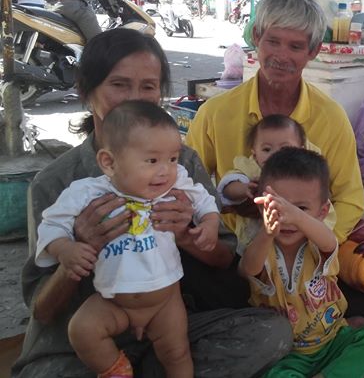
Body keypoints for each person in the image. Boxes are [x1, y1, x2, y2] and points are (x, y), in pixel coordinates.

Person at [12, 28, 292, 378]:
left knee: (270, 333)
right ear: (87, 91)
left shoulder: (179, 163)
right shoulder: (57, 182)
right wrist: (77, 252)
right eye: (119, 84)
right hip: (83, 344)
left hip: (168, 324)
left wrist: (190, 236)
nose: (135, 98)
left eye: (148, 86)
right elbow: (41, 308)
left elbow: (226, 262)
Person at [186, 0, 364, 329]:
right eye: (273, 42)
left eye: (295, 47)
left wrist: (311, 241)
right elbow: (192, 184)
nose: (281, 56)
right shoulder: (214, 113)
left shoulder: (330, 117)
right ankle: (287, 322)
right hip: (242, 254)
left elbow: (350, 199)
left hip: (309, 256)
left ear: (313, 51)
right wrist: (235, 208)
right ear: (256, 39)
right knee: (187, 267)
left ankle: (273, 321)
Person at [36, 101, 221, 377]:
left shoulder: (176, 183)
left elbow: (205, 201)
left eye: (172, 159)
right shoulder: (87, 192)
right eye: (152, 160)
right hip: (114, 301)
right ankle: (118, 370)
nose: (165, 170)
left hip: (165, 302)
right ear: (109, 163)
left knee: (177, 353)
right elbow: (52, 225)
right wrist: (65, 249)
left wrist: (209, 224)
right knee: (82, 330)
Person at [240, 148, 364, 377]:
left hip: (334, 340)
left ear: (322, 212)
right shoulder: (262, 247)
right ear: (262, 207)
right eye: (280, 207)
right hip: (289, 356)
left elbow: (329, 242)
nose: (287, 218)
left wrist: (297, 217)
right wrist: (268, 233)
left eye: (301, 208)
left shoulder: (317, 243)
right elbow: (247, 269)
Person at [216, 114, 328, 255]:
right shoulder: (250, 168)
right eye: (267, 149)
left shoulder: (306, 173)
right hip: (254, 239)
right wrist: (244, 188)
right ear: (255, 153)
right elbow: (227, 188)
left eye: (284, 149)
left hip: (298, 240)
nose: (274, 155)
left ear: (301, 149)